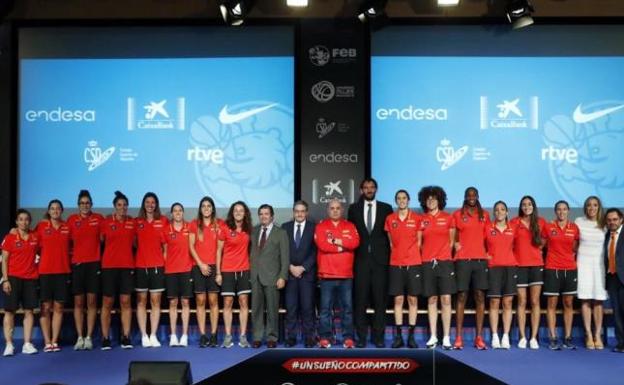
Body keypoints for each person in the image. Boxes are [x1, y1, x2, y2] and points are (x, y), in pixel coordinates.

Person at [348, 178, 393, 348]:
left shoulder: (386, 208)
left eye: (372, 187)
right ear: (361, 190)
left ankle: (378, 337)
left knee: (380, 301)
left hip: (381, 262)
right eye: (366, 187)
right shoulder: (354, 209)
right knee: (360, 301)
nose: (369, 190)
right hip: (360, 262)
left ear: (376, 189)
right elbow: (351, 234)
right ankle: (361, 338)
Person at [315, 198, 360, 348]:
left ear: (342, 210)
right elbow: (322, 245)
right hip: (327, 275)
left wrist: (337, 241)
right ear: (328, 210)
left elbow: (355, 243)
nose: (335, 210)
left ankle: (348, 338)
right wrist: (342, 246)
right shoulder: (321, 226)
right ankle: (325, 338)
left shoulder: (350, 225)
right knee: (325, 310)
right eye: (332, 208)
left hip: (346, 275)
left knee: (347, 309)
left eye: (338, 208)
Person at [452, 187, 490, 350]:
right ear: (465, 197)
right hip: (463, 261)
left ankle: (479, 337)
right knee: (461, 297)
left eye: (474, 195)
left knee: (480, 297)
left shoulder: (485, 215)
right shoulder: (457, 215)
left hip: (480, 261)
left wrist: (488, 254)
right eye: (469, 195)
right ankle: (459, 337)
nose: (471, 197)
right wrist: (455, 244)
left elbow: (489, 238)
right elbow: (453, 237)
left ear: (478, 197)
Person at [418, 186, 456, 350]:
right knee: (432, 299)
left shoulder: (448, 218)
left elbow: (451, 242)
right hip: (427, 262)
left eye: (434, 198)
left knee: (446, 299)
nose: (431, 201)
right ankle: (433, 336)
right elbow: (419, 244)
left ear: (440, 200)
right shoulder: (421, 219)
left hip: (445, 262)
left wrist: (442, 255)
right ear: (424, 201)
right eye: (428, 198)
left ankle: (446, 337)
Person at [66, 190, 104, 351]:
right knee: (78, 303)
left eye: (87, 203)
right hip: (77, 266)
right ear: (78, 205)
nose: (85, 206)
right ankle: (79, 337)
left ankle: (89, 337)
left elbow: (106, 237)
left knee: (92, 301)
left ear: (91, 205)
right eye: (82, 203)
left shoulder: (99, 219)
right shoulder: (71, 220)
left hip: (94, 265)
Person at [385, 190, 422, 349]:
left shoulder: (416, 218)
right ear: (396, 201)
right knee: (398, 300)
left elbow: (419, 243)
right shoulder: (390, 219)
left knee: (413, 300)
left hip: (413, 264)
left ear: (408, 200)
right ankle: (399, 336)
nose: (401, 201)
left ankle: (411, 337)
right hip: (396, 264)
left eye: (404, 198)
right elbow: (391, 243)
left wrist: (410, 256)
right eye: (399, 198)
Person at [100, 191, 136, 350]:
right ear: (115, 207)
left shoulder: (132, 223)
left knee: (125, 302)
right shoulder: (106, 222)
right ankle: (105, 338)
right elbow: (100, 241)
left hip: (127, 267)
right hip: (109, 267)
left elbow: (137, 243)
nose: (123, 208)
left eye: (125, 205)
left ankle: (126, 337)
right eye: (119, 205)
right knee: (107, 302)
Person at [250, 204, 289, 348]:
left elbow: (285, 258)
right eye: (261, 214)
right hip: (255, 277)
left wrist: (282, 277)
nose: (263, 216)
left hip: (273, 277)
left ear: (272, 216)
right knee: (256, 309)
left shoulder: (281, 233)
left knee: (272, 309)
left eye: (266, 214)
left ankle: (272, 337)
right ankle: (257, 337)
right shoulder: (253, 232)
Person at [542, 200, 580, 350]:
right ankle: (553, 337)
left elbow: (575, 248)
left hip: (570, 269)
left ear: (568, 211)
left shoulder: (574, 228)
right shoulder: (548, 226)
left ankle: (568, 338)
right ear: (555, 211)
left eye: (564, 209)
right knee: (551, 304)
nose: (561, 212)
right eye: (559, 209)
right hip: (552, 269)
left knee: (568, 304)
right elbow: (541, 246)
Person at [1, 209, 39, 356]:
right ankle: (9, 344)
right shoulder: (10, 238)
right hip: (13, 278)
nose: (24, 222)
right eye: (21, 219)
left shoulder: (35, 237)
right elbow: (4, 260)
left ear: (30, 222)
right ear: (16, 222)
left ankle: (27, 344)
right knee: (9, 311)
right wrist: (5, 280)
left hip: (30, 278)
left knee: (29, 311)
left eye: (26, 219)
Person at [510, 195, 546, 349]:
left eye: (529, 204)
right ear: (521, 207)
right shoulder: (514, 222)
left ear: (533, 206)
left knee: (535, 302)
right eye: (524, 204)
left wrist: (537, 251)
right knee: (522, 302)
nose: (526, 207)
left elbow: (544, 241)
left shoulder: (541, 222)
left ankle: (533, 338)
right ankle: (523, 337)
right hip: (519, 266)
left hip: (536, 265)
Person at [216, 201, 253, 348]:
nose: (238, 212)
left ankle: (243, 337)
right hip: (227, 270)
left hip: (244, 270)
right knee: (227, 303)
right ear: (232, 212)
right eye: (236, 210)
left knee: (244, 302)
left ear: (245, 213)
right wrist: (218, 272)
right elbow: (218, 251)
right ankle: (228, 336)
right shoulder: (224, 228)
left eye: (241, 210)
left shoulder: (248, 229)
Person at [36, 199, 71, 352]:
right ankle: (46, 341)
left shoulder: (67, 227)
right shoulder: (41, 226)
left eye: (58, 208)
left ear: (61, 211)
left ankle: (54, 341)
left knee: (58, 307)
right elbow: (31, 242)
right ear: (48, 211)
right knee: (45, 307)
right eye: (52, 208)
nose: (55, 211)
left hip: (62, 272)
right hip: (45, 272)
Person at [282, 200, 317, 348]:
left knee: (307, 308)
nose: (299, 214)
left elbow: (316, 251)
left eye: (302, 211)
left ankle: (309, 337)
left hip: (307, 275)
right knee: (291, 308)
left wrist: (303, 267)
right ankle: (291, 337)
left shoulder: (314, 228)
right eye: (297, 211)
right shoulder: (285, 227)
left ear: (306, 212)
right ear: (293, 212)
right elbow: (282, 251)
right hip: (289, 275)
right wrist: (290, 267)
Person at [135, 192, 168, 348]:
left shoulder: (162, 221)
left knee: (156, 302)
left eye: (153, 202)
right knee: (141, 302)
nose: (150, 205)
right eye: (147, 202)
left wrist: (163, 262)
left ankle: (153, 335)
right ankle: (143, 335)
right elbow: (134, 244)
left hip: (157, 268)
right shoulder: (137, 222)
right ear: (143, 204)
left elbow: (166, 246)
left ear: (156, 204)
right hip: (141, 267)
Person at [189, 196, 222, 348]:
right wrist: (201, 264)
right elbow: (191, 247)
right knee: (200, 302)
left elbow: (220, 249)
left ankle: (214, 335)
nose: (206, 208)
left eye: (209, 206)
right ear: (200, 209)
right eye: (204, 206)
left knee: (213, 301)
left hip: (214, 267)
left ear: (213, 208)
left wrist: (217, 270)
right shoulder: (194, 224)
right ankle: (203, 335)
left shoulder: (219, 224)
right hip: (198, 267)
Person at [484, 201, 517, 349]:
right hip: (493, 268)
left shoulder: (513, 228)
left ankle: (505, 336)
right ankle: (495, 336)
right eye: (496, 210)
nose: (499, 212)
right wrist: (487, 256)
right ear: (494, 213)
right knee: (494, 303)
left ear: (507, 212)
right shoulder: (487, 228)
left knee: (508, 302)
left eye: (502, 209)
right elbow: (480, 246)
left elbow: (519, 247)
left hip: (510, 268)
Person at [575, 196, 607, 349]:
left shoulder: (605, 223)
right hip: (583, 266)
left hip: (599, 267)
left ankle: (598, 334)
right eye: (589, 205)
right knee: (586, 300)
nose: (592, 208)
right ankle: (588, 334)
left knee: (598, 301)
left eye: (595, 205)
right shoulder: (578, 222)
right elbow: (573, 244)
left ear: (599, 207)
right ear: (585, 208)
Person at [162, 203, 193, 347]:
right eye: (175, 211)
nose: (178, 213)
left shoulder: (189, 228)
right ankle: (174, 335)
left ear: (183, 212)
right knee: (173, 303)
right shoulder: (166, 230)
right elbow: (165, 251)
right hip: (171, 271)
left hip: (187, 270)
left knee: (185, 302)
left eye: (180, 210)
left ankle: (185, 336)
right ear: (172, 213)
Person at [604, 208, 624, 353]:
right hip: (612, 278)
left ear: (621, 219)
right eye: (609, 220)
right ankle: (621, 342)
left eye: (615, 219)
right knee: (617, 312)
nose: (612, 222)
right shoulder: (607, 236)